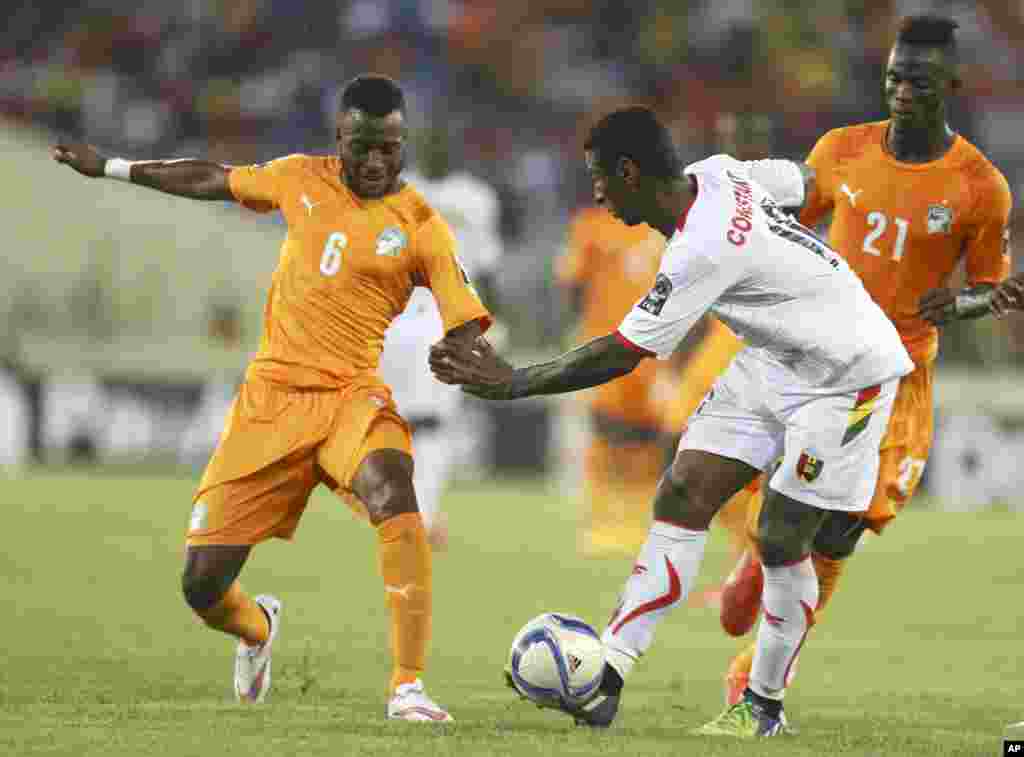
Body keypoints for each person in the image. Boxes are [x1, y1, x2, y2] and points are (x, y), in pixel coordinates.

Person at [431, 105, 914, 736]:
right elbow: (802, 181)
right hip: (773, 357)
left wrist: (512, 382)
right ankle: (608, 676)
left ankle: (762, 707)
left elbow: (623, 351)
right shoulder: (716, 173)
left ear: (629, 172)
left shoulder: (701, 246)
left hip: (846, 371)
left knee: (778, 537)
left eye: (600, 177)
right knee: (683, 491)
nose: (597, 192)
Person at [53, 74, 491, 721]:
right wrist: (113, 168)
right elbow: (212, 178)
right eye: (363, 146)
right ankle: (258, 629)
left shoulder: (423, 225)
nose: (375, 161)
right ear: (339, 136)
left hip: (350, 397)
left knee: (397, 490)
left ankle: (408, 687)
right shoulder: (298, 178)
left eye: (390, 149)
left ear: (405, 144)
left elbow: (465, 319)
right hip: (271, 404)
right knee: (200, 584)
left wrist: (468, 352)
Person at [718, 15, 1013, 708]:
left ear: (951, 82)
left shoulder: (981, 186)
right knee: (797, 514)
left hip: (903, 375)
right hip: (823, 362)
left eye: (918, 79)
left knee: (845, 525)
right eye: (893, 76)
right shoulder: (841, 150)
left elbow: (986, 287)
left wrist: (963, 306)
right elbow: (790, 227)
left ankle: (756, 672)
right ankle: (761, 558)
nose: (902, 89)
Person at [377, 125, 504, 550]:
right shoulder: (472, 199)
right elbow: (487, 270)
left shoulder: (398, 192)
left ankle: (408, 513)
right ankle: (419, 518)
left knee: (410, 423)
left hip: (416, 321)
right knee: (429, 426)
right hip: (426, 320)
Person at [556, 206, 672, 556]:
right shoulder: (589, 225)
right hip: (604, 342)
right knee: (606, 427)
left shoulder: (664, 227)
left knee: (649, 434)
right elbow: (572, 285)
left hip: (654, 350)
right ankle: (601, 523)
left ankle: (639, 525)